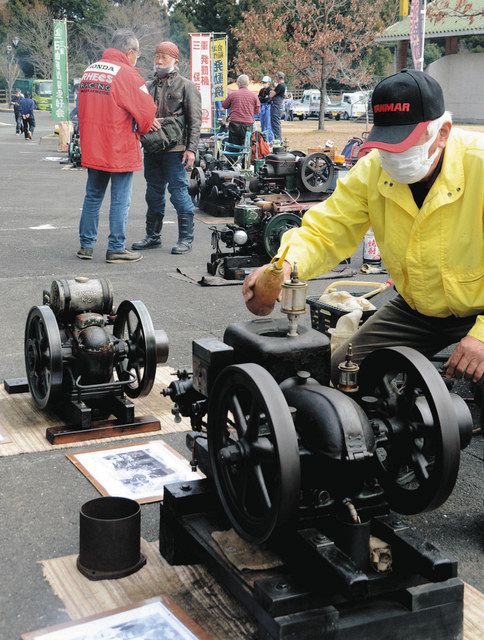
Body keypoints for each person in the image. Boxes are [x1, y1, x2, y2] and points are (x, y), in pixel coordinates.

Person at [243, 69, 484, 389]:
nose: (394, 156)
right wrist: (282, 267)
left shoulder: (478, 163)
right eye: (387, 145)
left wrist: (481, 337)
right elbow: (326, 231)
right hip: (418, 310)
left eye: (406, 144)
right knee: (339, 373)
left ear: (442, 133)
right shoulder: (373, 170)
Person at [77, 29, 157, 263]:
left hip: (94, 145)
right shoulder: (128, 74)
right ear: (130, 52)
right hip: (119, 147)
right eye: (137, 55)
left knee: (93, 196)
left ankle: (86, 245)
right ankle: (116, 248)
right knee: (120, 199)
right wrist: (145, 126)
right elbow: (146, 112)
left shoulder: (90, 71)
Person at [132, 41, 202, 255]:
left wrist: (191, 150)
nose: (159, 60)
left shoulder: (186, 86)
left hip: (176, 149)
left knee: (178, 191)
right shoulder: (148, 86)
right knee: (153, 193)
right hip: (153, 148)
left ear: (175, 61)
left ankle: (186, 239)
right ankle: (153, 237)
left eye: (164, 57)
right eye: (157, 56)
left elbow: (195, 120)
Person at [221, 74, 260, 157]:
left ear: (238, 83)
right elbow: (257, 111)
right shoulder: (254, 96)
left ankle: (232, 164)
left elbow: (224, 105)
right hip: (248, 124)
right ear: (248, 83)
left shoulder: (233, 95)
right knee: (246, 146)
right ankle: (244, 165)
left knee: (233, 146)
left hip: (235, 124)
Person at [269, 71, 286, 142]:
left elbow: (271, 95)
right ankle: (278, 139)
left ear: (279, 77)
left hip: (276, 106)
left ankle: (278, 140)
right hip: (278, 105)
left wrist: (271, 92)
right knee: (276, 123)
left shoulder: (280, 85)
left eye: (276, 77)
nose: (275, 78)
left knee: (275, 123)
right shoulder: (283, 85)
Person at [258, 76, 273, 141]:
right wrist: (264, 98)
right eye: (263, 82)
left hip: (268, 107)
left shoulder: (270, 90)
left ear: (269, 83)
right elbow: (259, 98)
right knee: (262, 123)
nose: (263, 83)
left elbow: (268, 99)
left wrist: (263, 98)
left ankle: (269, 139)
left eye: (265, 82)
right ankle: (263, 138)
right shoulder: (261, 90)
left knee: (268, 123)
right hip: (262, 106)